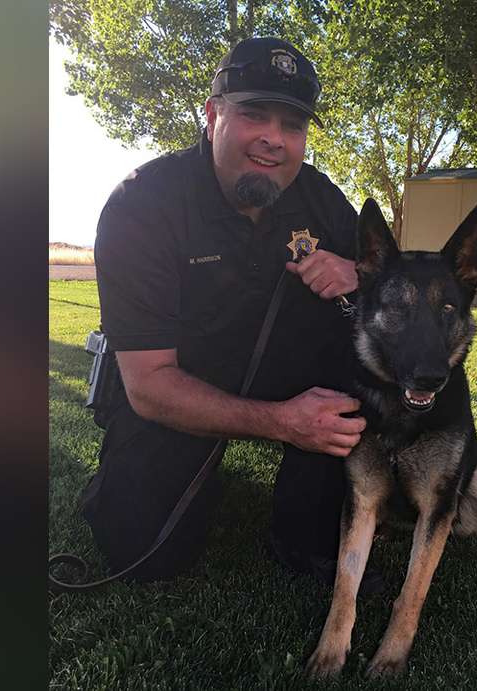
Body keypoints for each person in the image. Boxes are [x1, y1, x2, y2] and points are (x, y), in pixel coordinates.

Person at [81, 37, 382, 593]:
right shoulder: (142, 205)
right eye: (254, 114)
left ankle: (306, 525)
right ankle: (168, 471)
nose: (274, 139)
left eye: (293, 125)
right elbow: (149, 386)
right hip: (178, 382)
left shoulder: (320, 198)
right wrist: (281, 422)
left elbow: (398, 280)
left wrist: (359, 274)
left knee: (365, 348)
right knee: (141, 552)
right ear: (213, 113)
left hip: (287, 368)